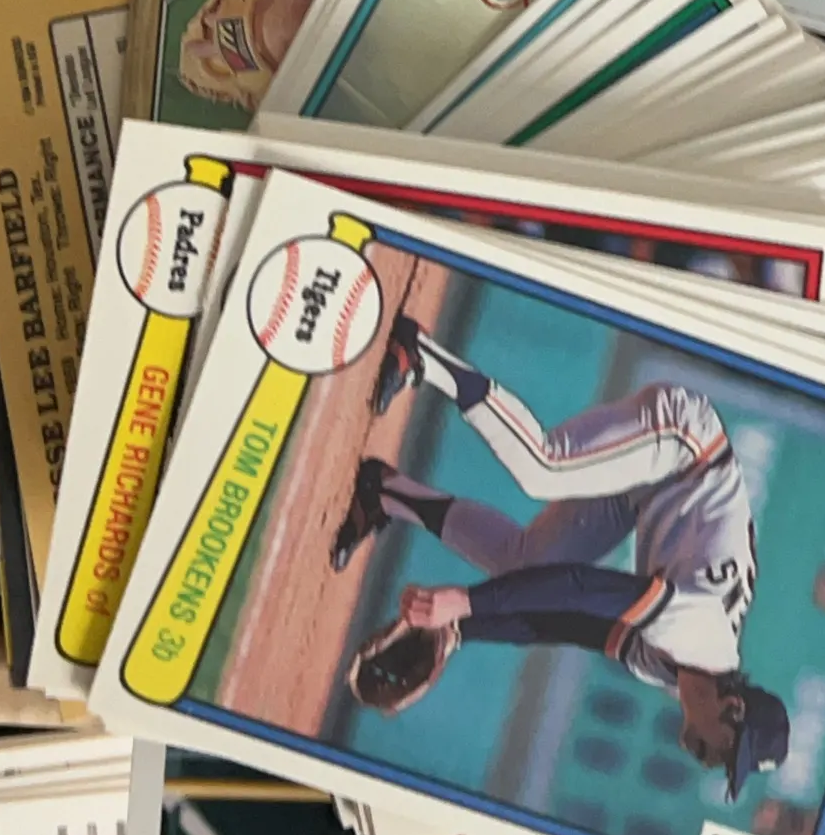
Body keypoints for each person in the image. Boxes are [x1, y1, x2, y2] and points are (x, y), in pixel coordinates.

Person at [334, 314, 789, 798]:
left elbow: (567, 623)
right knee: (544, 467)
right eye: (730, 752)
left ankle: (383, 493)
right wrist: (465, 602)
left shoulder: (668, 671)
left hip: (652, 494)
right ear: (733, 709)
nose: (716, 763)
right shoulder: (698, 636)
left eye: (729, 766)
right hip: (684, 448)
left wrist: (460, 630)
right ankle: (422, 355)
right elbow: (579, 586)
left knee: (522, 566)